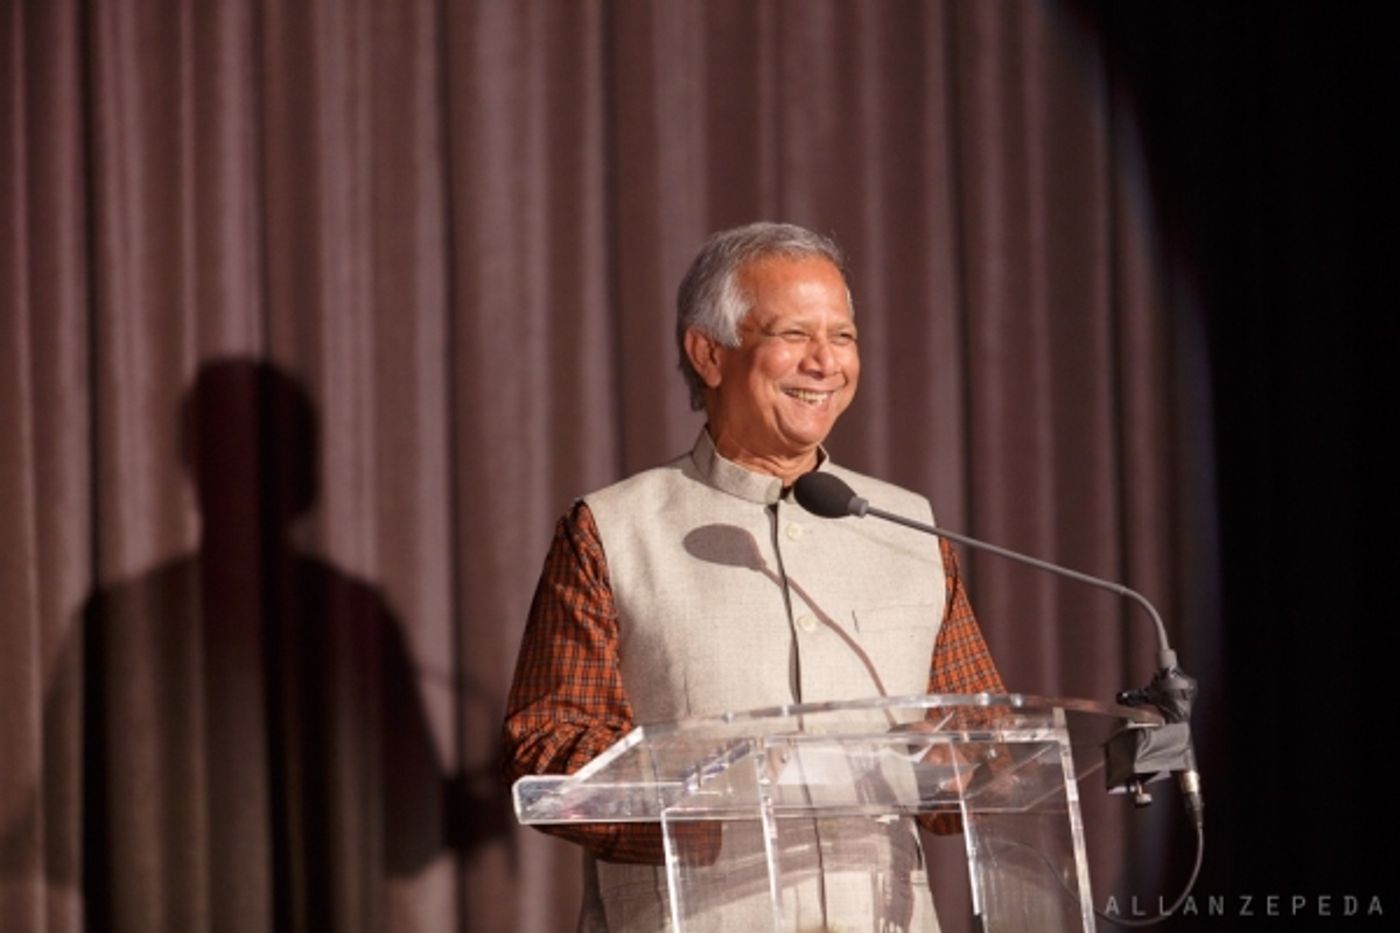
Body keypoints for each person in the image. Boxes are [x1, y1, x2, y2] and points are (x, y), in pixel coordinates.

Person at [502, 222, 1004, 932]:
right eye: (795, 334)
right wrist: (718, 789)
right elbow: (551, 744)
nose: (826, 362)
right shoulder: (612, 529)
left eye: (844, 336)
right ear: (709, 353)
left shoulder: (907, 527)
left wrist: (965, 760)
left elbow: (979, 735)